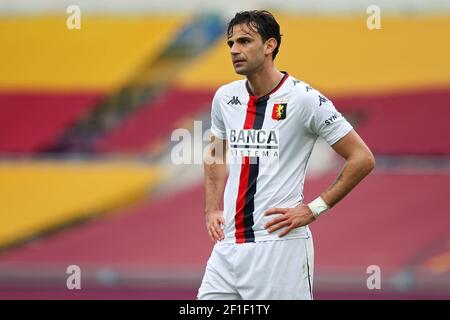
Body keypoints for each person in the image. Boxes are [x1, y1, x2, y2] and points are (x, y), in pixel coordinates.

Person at [199, 10, 375, 300]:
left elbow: (362, 158)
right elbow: (215, 153)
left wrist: (314, 208)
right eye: (231, 43)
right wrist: (210, 208)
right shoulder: (224, 98)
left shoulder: (304, 99)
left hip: (279, 247)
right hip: (228, 246)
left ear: (270, 46)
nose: (234, 50)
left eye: (244, 41)